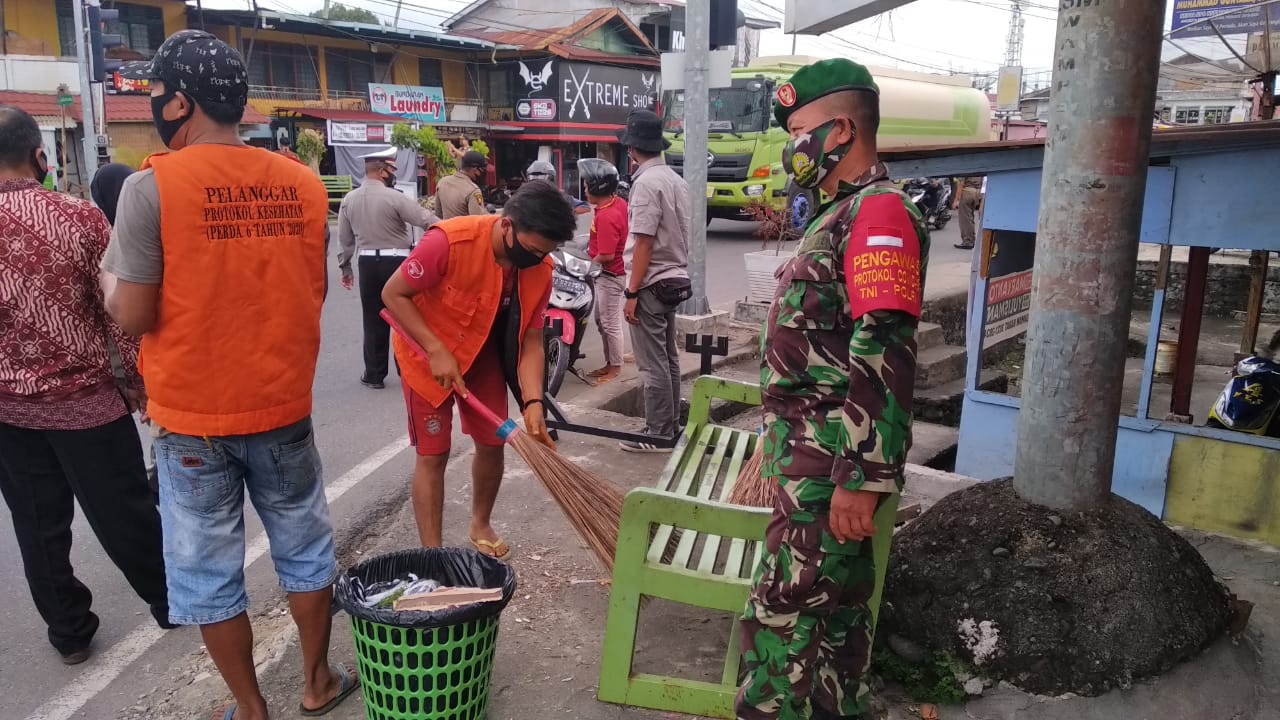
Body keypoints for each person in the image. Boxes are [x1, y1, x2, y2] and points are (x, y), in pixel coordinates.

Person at [100, 30, 356, 720]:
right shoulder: (303, 185)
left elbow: (131, 314)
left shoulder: (149, 190)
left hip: (191, 422)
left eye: (156, 97)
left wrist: (106, 281)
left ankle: (250, 709)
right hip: (281, 409)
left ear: (179, 103)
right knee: (304, 549)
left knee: (209, 575)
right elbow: (312, 293)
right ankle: (315, 683)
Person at [735, 59, 930, 720]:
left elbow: (884, 347)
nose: (792, 146)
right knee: (835, 625)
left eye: (798, 130)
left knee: (781, 620)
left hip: (832, 467)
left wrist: (862, 475)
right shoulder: (842, 212)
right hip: (812, 457)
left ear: (841, 128)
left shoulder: (878, 213)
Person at [0, 105, 171, 666]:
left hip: (8, 411)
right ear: (39, 155)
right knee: (124, 511)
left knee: (37, 525)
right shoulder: (78, 217)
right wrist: (138, 386)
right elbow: (116, 314)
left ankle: (71, 633)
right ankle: (172, 601)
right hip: (87, 402)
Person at [381, 181, 575, 561]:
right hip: (426, 359)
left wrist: (534, 401)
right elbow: (393, 293)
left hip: (481, 355)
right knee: (433, 453)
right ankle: (432, 553)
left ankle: (480, 523)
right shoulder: (449, 242)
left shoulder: (539, 267)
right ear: (507, 225)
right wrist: (435, 348)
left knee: (492, 440)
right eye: (532, 249)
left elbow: (532, 340)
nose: (536, 259)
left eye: (544, 254)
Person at [616, 109, 691, 452]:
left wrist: (631, 291)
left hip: (650, 283)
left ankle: (658, 433)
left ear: (632, 149)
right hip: (674, 279)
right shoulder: (676, 180)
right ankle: (670, 426)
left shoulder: (645, 183)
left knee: (653, 363)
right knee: (669, 358)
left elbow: (643, 240)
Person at [337, 147, 440, 390]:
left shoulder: (349, 199)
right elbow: (427, 220)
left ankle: (374, 375)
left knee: (372, 319)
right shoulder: (395, 198)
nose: (393, 174)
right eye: (391, 170)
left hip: (367, 263)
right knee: (405, 317)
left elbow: (345, 238)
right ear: (383, 172)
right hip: (397, 264)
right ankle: (408, 370)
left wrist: (345, 268)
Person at [578, 158, 628, 384]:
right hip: (610, 273)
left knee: (609, 323)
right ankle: (610, 362)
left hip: (610, 275)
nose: (585, 188)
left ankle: (615, 368)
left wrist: (586, 268)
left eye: (588, 184)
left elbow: (607, 255)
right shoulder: (614, 204)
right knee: (602, 320)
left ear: (598, 187)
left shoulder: (608, 216)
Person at [434, 150, 489, 219]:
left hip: (446, 229)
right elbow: (478, 221)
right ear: (475, 169)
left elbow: (438, 215)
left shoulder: (442, 182)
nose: (482, 174)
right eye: (482, 170)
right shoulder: (473, 190)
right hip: (465, 229)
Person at [526, 160, 591, 215]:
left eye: (541, 181)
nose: (538, 184)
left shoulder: (559, 196)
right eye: (535, 181)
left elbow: (585, 207)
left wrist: (561, 212)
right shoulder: (523, 198)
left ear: (550, 180)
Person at [953, 175, 984, 249]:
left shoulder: (966, 166)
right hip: (976, 193)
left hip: (967, 192)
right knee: (970, 218)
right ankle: (972, 240)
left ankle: (968, 241)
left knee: (965, 219)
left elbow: (961, 183)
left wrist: (956, 200)